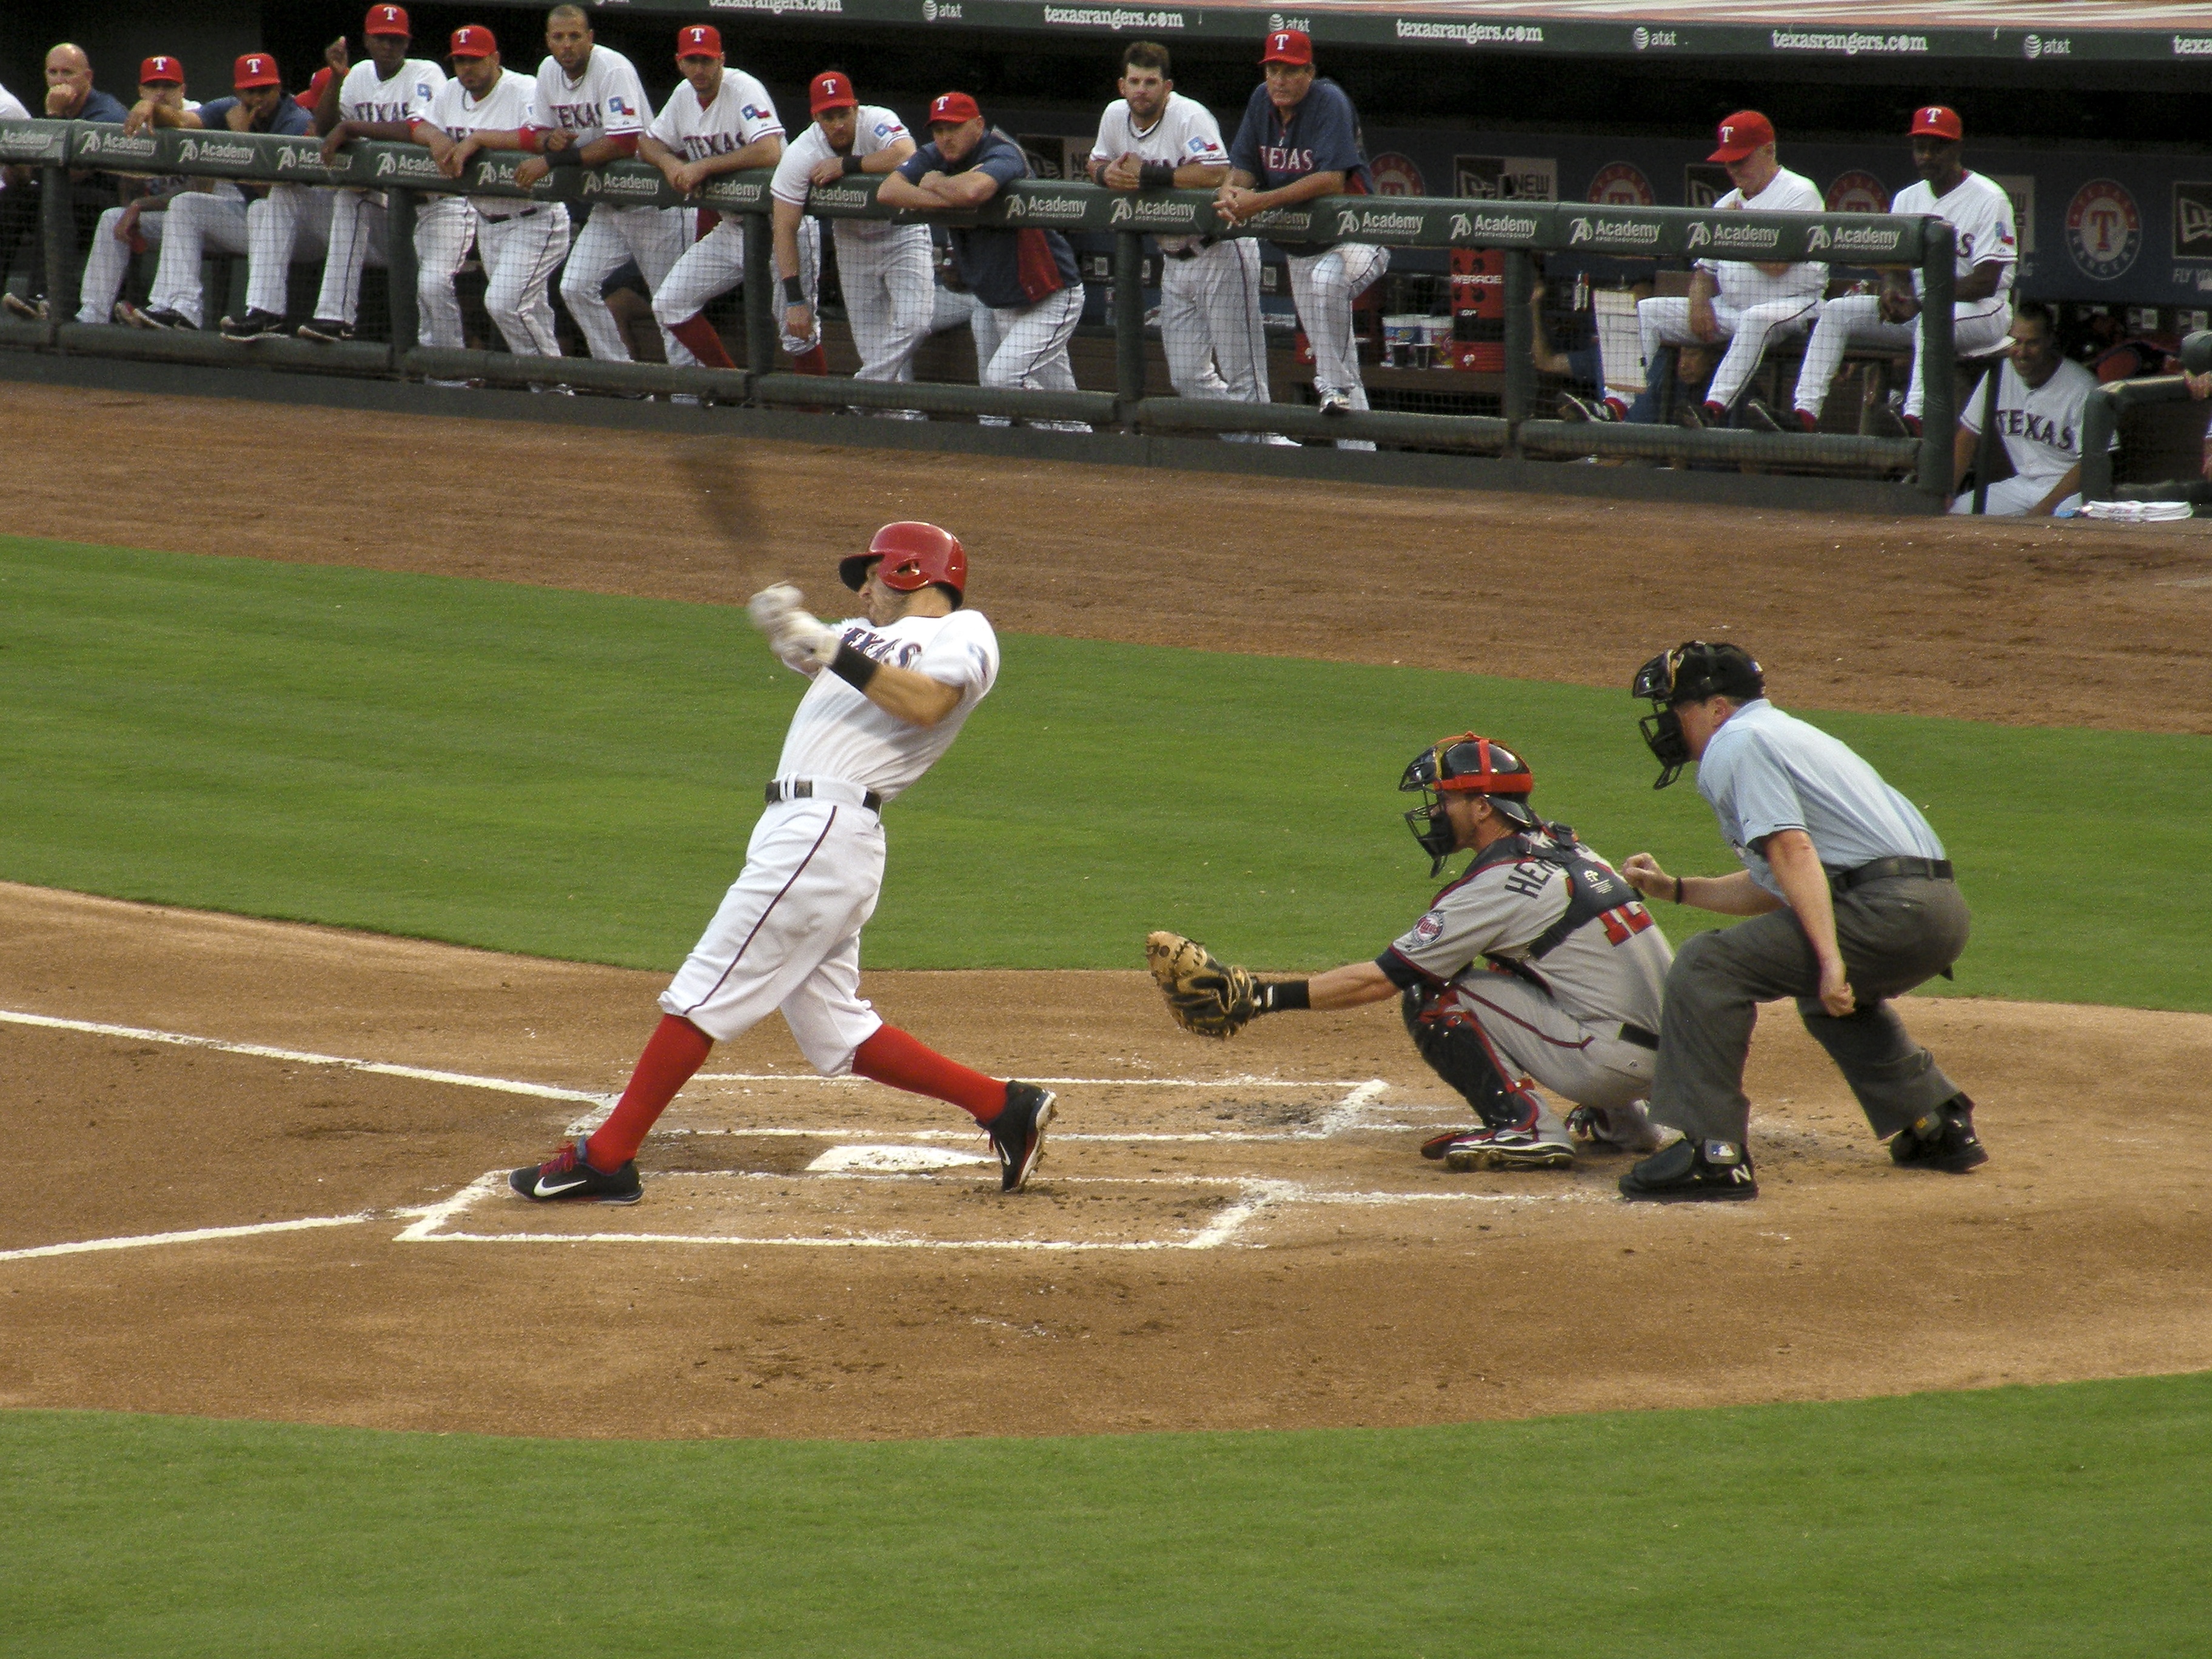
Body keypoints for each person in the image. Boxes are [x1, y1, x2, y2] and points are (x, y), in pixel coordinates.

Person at [510, 523, 1056, 1204]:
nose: (862, 591)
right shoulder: (860, 639)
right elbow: (813, 648)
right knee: (835, 1025)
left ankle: (607, 1157)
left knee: (704, 989)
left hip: (826, 831)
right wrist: (788, 626)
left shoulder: (964, 633)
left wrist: (826, 643)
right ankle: (1005, 1107)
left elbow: (925, 703)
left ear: (913, 572)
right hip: (807, 834)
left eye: (872, 574)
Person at [1151, 734, 1672, 1170]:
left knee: (1433, 987)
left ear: (1482, 807)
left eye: (1444, 800)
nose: (1435, 812)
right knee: (1521, 965)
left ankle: (1525, 1126)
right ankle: (1625, 1119)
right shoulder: (1568, 846)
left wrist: (1261, 998)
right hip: (1669, 1060)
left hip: (1607, 1061)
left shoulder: (1498, 885)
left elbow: (1381, 979)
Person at [1615, 642, 1982, 1204]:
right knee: (1818, 990)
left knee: (1706, 965)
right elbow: (1783, 883)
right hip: (1934, 909)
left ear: (1715, 706)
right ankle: (1933, 1122)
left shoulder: (1736, 743)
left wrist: (1833, 956)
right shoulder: (1786, 734)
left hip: (1885, 908)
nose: (1667, 723)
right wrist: (1679, 890)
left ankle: (1712, 1154)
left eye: (1675, 708)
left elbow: (1792, 849)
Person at [1562, 111, 1824, 430]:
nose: (1733, 169)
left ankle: (1712, 410)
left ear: (1769, 150)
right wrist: (1699, 301)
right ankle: (1614, 406)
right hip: (1732, 309)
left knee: (1757, 320)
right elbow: (1704, 270)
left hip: (1793, 305)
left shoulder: (1799, 192)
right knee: (1644, 312)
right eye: (1729, 161)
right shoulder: (1727, 204)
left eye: (1741, 160)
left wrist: (1738, 229)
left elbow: (1778, 266)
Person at [1767, 106, 2014, 438]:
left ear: (1957, 148)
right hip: (1927, 306)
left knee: (1933, 319)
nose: (1927, 155)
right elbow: (1897, 268)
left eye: (1937, 147)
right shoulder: (1907, 198)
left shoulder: (1989, 198)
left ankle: (1914, 419)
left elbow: (1987, 282)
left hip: (1985, 312)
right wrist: (1893, 291)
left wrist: (1922, 302)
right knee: (1838, 312)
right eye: (1920, 147)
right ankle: (1804, 414)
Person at [877, 93, 1087, 426]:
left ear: (978, 125)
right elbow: (887, 191)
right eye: (939, 129)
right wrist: (944, 198)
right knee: (1061, 395)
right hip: (1005, 300)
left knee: (1002, 379)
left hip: (1051, 294)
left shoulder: (1002, 150)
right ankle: (1080, 444)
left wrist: (937, 183)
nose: (945, 138)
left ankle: (1065, 438)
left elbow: (974, 191)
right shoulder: (934, 154)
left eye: (955, 128)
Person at [1217, 29, 1384, 444]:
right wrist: (1229, 192)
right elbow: (1241, 168)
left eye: (1290, 70)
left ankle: (1329, 381)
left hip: (1358, 237)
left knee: (1330, 285)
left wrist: (1260, 203)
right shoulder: (1261, 101)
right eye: (1273, 69)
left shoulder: (1329, 101)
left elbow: (1330, 180)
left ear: (1309, 71)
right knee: (1344, 364)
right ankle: (1361, 459)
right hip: (1303, 252)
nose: (1280, 80)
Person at [1088, 42, 1270, 424]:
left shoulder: (1189, 116)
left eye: (1151, 82)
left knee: (1244, 373)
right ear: (1122, 85)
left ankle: (1265, 449)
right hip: (1173, 259)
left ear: (1167, 87)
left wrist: (1148, 175)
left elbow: (1218, 172)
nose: (1142, 90)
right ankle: (1249, 438)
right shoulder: (1114, 114)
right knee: (1187, 376)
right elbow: (1096, 160)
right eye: (1135, 81)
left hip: (1220, 250)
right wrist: (1105, 174)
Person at [506, 5, 692, 366]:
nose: (567, 45)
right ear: (548, 41)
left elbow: (624, 142)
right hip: (608, 206)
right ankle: (625, 379)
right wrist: (549, 141)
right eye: (558, 38)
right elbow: (536, 130)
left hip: (651, 203)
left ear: (590, 39)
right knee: (574, 286)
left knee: (670, 305)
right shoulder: (548, 71)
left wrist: (552, 160)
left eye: (575, 36)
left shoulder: (612, 68)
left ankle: (691, 399)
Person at [118, 55, 313, 332]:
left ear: (278, 88)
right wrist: (152, 107)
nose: (258, 98)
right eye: (251, 91)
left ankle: (262, 316)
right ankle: (179, 309)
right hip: (257, 227)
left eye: (265, 90)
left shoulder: (296, 120)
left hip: (302, 231)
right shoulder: (228, 108)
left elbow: (270, 191)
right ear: (237, 92)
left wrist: (241, 136)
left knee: (262, 208)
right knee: (187, 205)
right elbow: (182, 120)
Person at [414, 25, 571, 361]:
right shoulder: (451, 91)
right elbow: (417, 123)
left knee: (503, 303)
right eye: (460, 61)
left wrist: (478, 138)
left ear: (495, 58)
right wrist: (436, 138)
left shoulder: (524, 89)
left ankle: (554, 386)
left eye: (475, 60)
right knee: (532, 310)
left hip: (534, 218)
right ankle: (549, 393)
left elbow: (539, 137)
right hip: (487, 220)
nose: (466, 69)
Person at [768, 72, 931, 392]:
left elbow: (907, 153)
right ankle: (898, 426)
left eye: (844, 113)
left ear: (856, 108)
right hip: (853, 243)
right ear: (816, 117)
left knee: (916, 323)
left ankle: (860, 391)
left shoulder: (877, 120)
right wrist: (794, 300)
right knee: (871, 349)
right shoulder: (802, 152)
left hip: (902, 234)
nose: (838, 123)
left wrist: (847, 165)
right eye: (829, 116)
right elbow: (784, 228)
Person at [636, 24, 786, 372]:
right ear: (679, 62)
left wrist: (704, 166)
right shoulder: (682, 96)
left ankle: (813, 420)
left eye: (706, 61)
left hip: (779, 225)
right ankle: (735, 388)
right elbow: (647, 143)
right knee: (670, 303)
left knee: (797, 330)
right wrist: (670, 161)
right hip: (733, 229)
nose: (699, 69)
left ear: (722, 59)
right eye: (692, 61)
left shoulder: (744, 88)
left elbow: (769, 150)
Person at [300, 5, 446, 343]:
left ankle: (446, 374)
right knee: (352, 199)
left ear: (407, 42)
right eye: (382, 38)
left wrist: (351, 126)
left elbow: (416, 128)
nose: (389, 46)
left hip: (434, 210)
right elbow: (325, 129)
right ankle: (335, 317)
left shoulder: (427, 73)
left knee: (435, 291)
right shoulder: (359, 75)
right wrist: (336, 77)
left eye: (396, 39)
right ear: (367, 40)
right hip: (389, 209)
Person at [75, 58, 214, 327]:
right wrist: (131, 211)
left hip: (210, 220)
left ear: (183, 90)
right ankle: (92, 314)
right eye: (153, 86)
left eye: (169, 86)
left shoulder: (197, 118)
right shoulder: (136, 121)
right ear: (141, 91)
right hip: (170, 221)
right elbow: (128, 187)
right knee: (112, 218)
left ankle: (169, 308)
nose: (160, 93)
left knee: (183, 209)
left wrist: (141, 205)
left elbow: (202, 191)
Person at [0, 44, 131, 321]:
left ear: (88, 77)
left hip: (106, 209)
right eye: (53, 72)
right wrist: (17, 168)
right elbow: (29, 174)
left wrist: (53, 116)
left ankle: (45, 297)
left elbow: (72, 172)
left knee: (57, 200)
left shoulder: (106, 112)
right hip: (68, 201)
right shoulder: (62, 108)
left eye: (68, 73)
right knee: (9, 201)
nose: (59, 80)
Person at [1952, 300, 2105, 515]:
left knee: (2066, 520)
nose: (2022, 352)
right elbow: (1968, 436)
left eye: (2032, 343)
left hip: (2070, 491)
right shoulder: (1999, 374)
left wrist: (2045, 507)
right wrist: (1946, 493)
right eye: (2016, 342)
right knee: (1958, 511)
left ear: (2049, 340)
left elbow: (2092, 463)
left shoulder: (2081, 387)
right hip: (2023, 485)